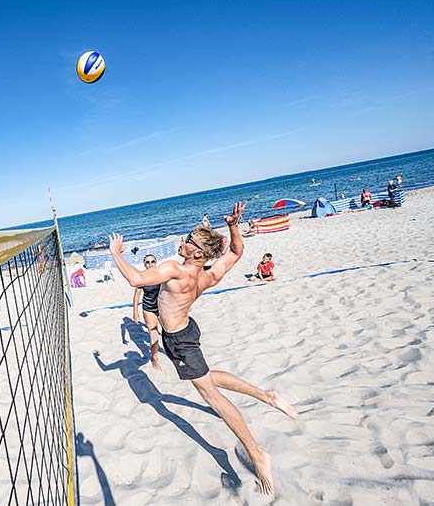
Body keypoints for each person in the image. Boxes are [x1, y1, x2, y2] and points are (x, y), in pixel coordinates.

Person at [107, 202, 297, 495]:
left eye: (189, 240)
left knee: (213, 397)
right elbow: (236, 252)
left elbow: (135, 279)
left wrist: (116, 255)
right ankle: (266, 395)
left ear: (197, 253)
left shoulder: (174, 269)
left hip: (181, 341)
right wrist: (233, 225)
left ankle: (257, 454)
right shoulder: (208, 274)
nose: (183, 241)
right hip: (184, 333)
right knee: (207, 377)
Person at [132, 254, 162, 370]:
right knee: (154, 335)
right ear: (144, 264)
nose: (150, 264)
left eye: (152, 261)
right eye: (147, 262)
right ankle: (155, 359)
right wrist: (135, 312)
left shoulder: (162, 275)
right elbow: (136, 295)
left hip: (162, 308)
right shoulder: (142, 277)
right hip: (149, 308)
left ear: (156, 262)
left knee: (170, 332)